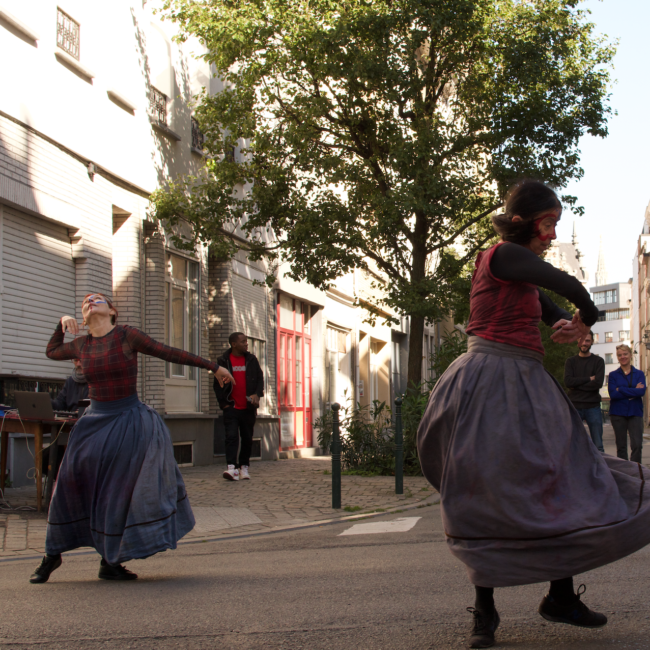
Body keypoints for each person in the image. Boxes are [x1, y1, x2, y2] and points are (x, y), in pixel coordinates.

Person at [417, 179, 650, 649]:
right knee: (486, 484)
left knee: (556, 480)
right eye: (548, 225)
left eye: (556, 227)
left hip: (525, 380)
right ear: (521, 222)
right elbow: (565, 285)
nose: (551, 235)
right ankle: (485, 611)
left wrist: (565, 324)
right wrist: (587, 313)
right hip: (488, 379)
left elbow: (548, 306)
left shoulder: (521, 273)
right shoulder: (502, 255)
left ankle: (560, 596)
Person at [29, 293, 234, 584]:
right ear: (84, 317)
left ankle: (111, 561)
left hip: (129, 422)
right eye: (86, 301)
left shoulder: (127, 336)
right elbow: (51, 351)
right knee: (69, 484)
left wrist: (213, 367)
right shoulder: (81, 345)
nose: (90, 302)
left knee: (118, 493)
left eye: (97, 299)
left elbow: (168, 352)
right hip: (93, 424)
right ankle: (53, 554)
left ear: (112, 311)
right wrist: (60, 324)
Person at [214, 332, 264, 481]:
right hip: (231, 407)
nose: (246, 344)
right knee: (231, 437)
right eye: (243, 342)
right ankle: (231, 468)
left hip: (248, 407)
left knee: (247, 438)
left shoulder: (251, 360)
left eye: (246, 341)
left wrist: (257, 394)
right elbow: (217, 385)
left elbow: (260, 379)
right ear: (233, 344)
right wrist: (223, 404)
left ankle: (244, 468)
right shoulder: (223, 361)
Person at [564, 331, 605, 452]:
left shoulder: (598, 361)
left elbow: (597, 383)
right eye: (582, 340)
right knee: (572, 444)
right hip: (574, 407)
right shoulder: (570, 362)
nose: (584, 343)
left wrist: (576, 385)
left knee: (598, 446)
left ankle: (600, 470)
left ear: (592, 342)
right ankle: (574, 470)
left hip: (593, 407)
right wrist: (588, 379)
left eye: (587, 340)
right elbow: (568, 382)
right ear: (578, 341)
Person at [608, 343, 646, 463]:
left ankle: (636, 470)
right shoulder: (613, 375)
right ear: (617, 357)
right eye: (620, 355)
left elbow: (641, 392)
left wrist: (622, 389)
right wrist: (633, 390)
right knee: (621, 446)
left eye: (625, 354)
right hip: (618, 413)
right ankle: (624, 473)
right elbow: (613, 394)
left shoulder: (639, 374)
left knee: (637, 445)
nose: (622, 357)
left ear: (630, 355)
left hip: (635, 412)